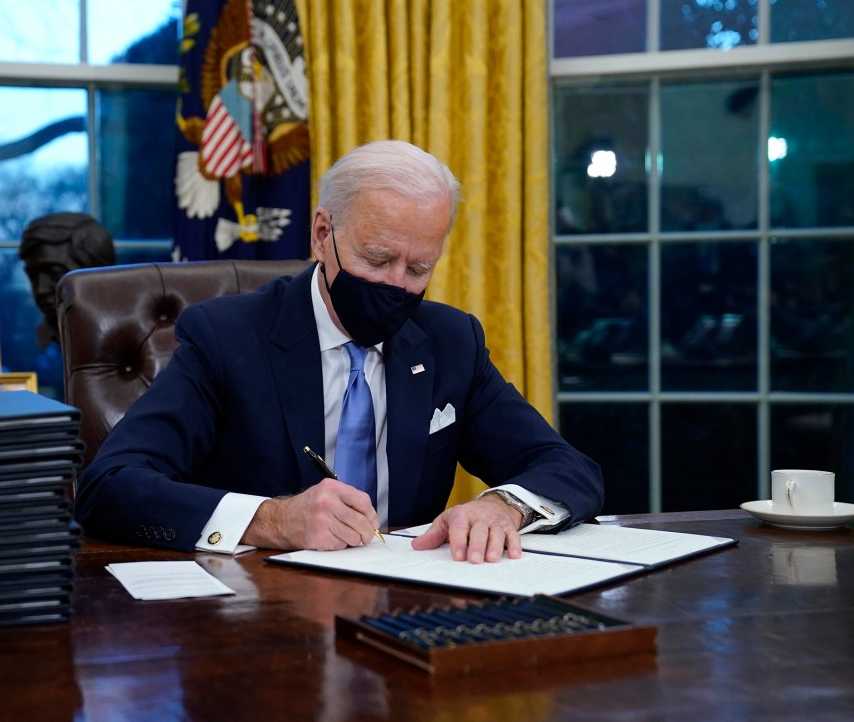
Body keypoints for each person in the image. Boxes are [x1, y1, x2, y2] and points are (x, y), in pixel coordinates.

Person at [73, 140, 603, 564]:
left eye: (418, 269)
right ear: (323, 234)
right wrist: (271, 520)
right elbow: (109, 487)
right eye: (377, 259)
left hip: (406, 611)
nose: (396, 285)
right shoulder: (227, 337)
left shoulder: (449, 342)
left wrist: (503, 505)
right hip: (259, 620)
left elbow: (566, 467)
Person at [18, 212, 117, 349]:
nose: (41, 290)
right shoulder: (26, 343)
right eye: (33, 276)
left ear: (96, 275)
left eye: (54, 273)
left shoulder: (132, 340)